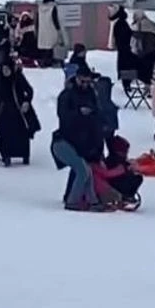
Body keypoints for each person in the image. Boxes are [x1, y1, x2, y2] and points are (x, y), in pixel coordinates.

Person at [52, 67, 104, 211]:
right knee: (82, 170)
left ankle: (89, 200)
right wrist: (79, 113)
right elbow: (63, 117)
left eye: (88, 82)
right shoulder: (66, 95)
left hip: (82, 143)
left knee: (84, 170)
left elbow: (97, 118)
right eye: (83, 81)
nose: (85, 84)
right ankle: (73, 201)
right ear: (76, 78)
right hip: (64, 141)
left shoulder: (92, 95)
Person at [0, 60, 36, 166]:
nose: (5, 71)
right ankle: (6, 155)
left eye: (7, 69)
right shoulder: (0, 78)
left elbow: (29, 90)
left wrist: (26, 102)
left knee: (21, 134)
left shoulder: (18, 77)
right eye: (3, 69)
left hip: (18, 110)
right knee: (5, 134)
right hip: (4, 111)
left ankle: (24, 155)